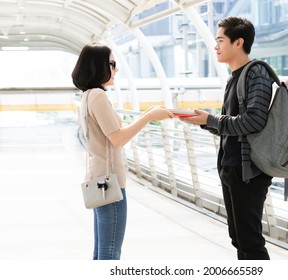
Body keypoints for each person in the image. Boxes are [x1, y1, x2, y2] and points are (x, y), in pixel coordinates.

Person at [181, 16, 275, 260]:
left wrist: (211, 120)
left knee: (250, 241)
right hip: (232, 168)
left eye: (220, 40)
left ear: (238, 42)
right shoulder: (235, 77)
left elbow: (255, 121)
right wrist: (205, 122)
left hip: (248, 172)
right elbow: (234, 125)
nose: (216, 46)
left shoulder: (257, 73)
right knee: (238, 238)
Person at [71, 43, 174, 260]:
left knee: (101, 251)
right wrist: (149, 116)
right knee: (110, 253)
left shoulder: (88, 95)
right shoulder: (98, 96)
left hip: (98, 179)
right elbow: (117, 138)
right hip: (109, 183)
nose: (116, 69)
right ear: (98, 65)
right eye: (112, 63)